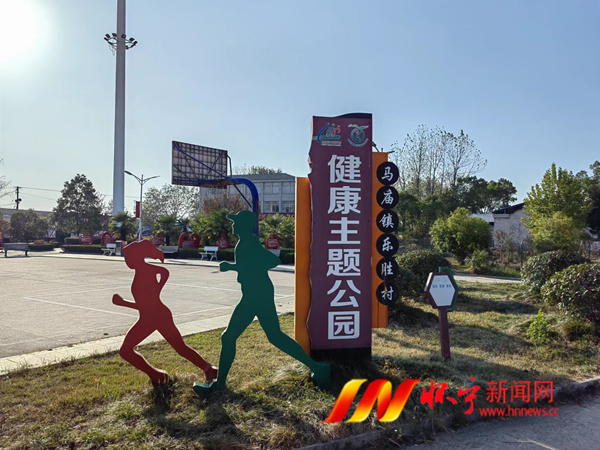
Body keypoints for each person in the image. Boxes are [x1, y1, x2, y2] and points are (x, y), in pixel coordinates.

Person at [193, 210, 330, 396]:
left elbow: (272, 260)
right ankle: (318, 368)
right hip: (256, 293)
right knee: (274, 336)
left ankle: (220, 384)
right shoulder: (245, 242)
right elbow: (254, 264)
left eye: (236, 222)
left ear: (244, 225)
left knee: (230, 337)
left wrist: (232, 267)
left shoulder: (248, 242)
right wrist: (237, 268)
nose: (233, 225)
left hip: (256, 295)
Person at [113, 239, 217, 384]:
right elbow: (162, 274)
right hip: (157, 315)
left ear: (136, 257)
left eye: (128, 258)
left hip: (152, 317)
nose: (127, 261)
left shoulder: (145, 274)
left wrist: (123, 303)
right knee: (180, 347)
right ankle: (208, 369)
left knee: (126, 351)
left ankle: (158, 376)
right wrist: (157, 289)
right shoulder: (145, 272)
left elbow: (147, 303)